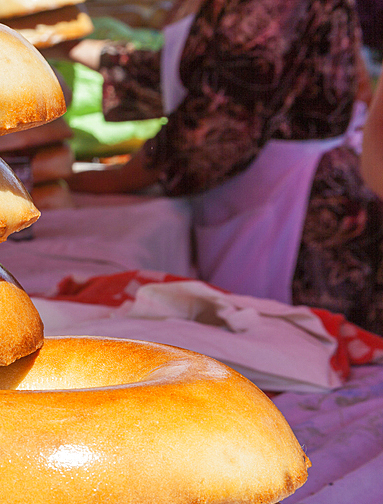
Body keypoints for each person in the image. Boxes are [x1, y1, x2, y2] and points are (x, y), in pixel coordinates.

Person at [45, 0, 383, 334]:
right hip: (261, 189)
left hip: (297, 213)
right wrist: (76, 50)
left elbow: (218, 126)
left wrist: (109, 179)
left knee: (290, 343)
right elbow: (202, 72)